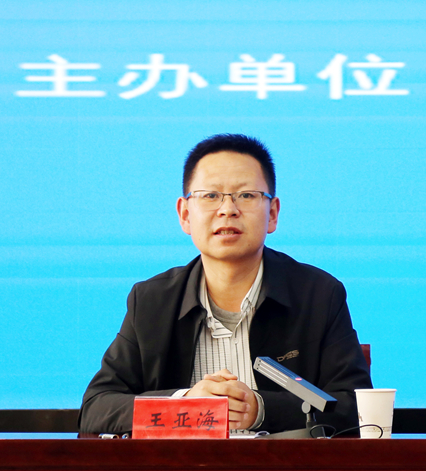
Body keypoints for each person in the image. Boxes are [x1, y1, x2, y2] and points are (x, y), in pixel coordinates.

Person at [79, 134, 372, 434]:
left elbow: (357, 409)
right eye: (210, 195)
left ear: (272, 214)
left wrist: (260, 410)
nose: (227, 209)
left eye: (246, 195)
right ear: (185, 215)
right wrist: (185, 403)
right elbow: (97, 408)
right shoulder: (152, 301)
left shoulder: (318, 295)